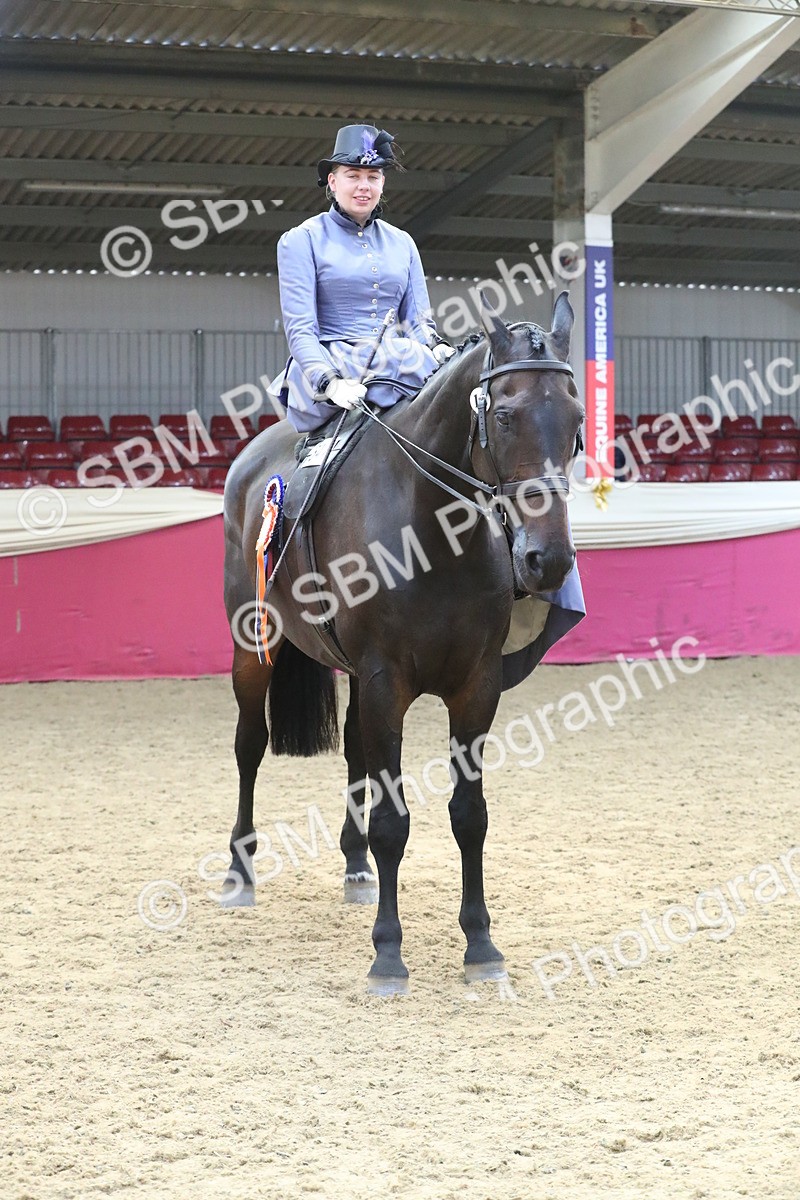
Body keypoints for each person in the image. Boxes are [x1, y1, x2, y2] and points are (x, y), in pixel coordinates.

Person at [270, 123, 454, 436]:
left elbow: (418, 323)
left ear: (383, 183)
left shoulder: (403, 243)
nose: (363, 186)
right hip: (334, 364)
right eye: (352, 176)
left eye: (373, 177)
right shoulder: (301, 240)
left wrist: (438, 350)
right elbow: (301, 329)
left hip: (399, 359)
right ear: (332, 181)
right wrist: (329, 381)